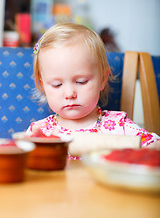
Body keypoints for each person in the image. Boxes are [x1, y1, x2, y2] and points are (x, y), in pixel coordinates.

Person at [26, 23, 160, 159]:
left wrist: (149, 148)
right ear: (43, 86)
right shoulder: (40, 131)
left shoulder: (119, 126)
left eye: (81, 82)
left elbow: (154, 146)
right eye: (57, 84)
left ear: (102, 79)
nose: (69, 94)